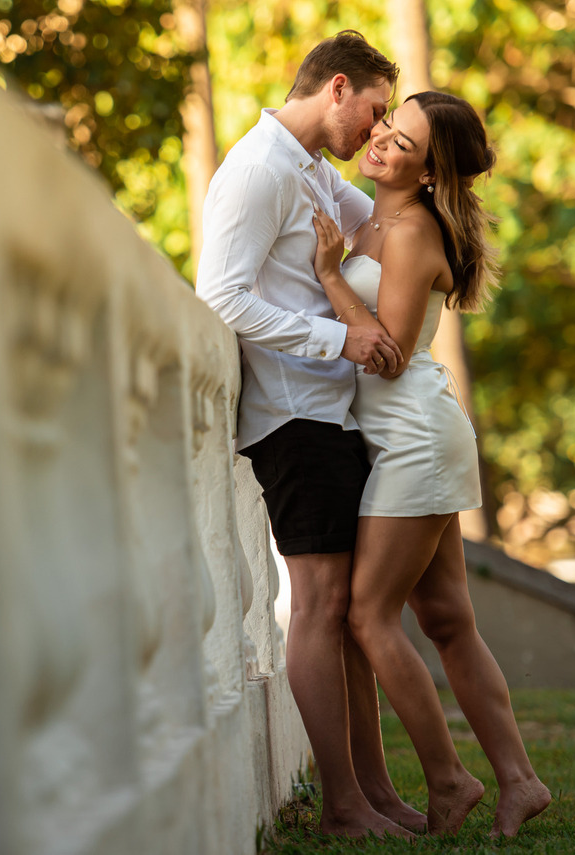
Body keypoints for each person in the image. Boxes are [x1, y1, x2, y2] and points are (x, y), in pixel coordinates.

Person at [196, 31, 421, 838]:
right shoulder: (257, 170)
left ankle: (379, 792)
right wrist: (339, 338)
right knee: (322, 608)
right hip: (292, 418)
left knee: (353, 617)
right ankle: (344, 805)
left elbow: (389, 226)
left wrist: (428, 153)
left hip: (333, 414)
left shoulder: (315, 171)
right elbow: (219, 299)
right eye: (374, 110)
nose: (376, 128)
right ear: (335, 88)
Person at [310, 91, 552, 837]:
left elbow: (385, 353)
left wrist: (328, 277)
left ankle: (449, 781)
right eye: (387, 124)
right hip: (412, 433)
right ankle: (521, 780)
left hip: (413, 434)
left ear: (425, 174)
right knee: (447, 619)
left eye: (403, 143)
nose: (381, 139)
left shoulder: (411, 231)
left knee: (368, 614)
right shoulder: (372, 210)